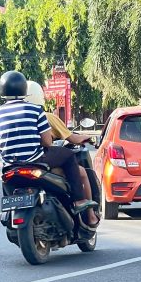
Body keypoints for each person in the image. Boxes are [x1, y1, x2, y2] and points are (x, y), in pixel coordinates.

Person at [0, 71, 98, 227]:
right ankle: (79, 200)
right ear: (23, 89)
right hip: (35, 160)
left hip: (10, 165)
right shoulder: (35, 110)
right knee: (68, 155)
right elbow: (47, 142)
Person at [25, 80, 99, 226]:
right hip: (42, 160)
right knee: (82, 172)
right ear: (39, 96)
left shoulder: (16, 115)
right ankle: (89, 214)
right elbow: (71, 138)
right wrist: (87, 138)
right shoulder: (44, 116)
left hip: (16, 163)